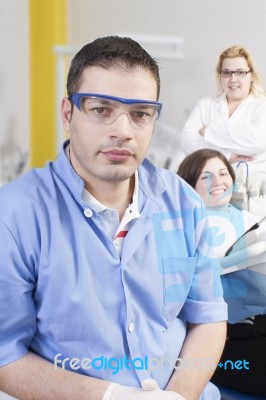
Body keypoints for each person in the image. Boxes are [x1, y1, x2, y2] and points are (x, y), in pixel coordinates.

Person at [0, 36, 227, 400]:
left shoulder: (183, 202)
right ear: (67, 113)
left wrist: (178, 397)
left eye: (140, 114)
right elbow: (5, 354)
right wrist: (110, 396)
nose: (123, 130)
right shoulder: (14, 216)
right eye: (101, 109)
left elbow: (208, 315)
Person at [177, 149, 266, 397]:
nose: (218, 182)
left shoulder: (251, 220)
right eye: (205, 177)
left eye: (223, 173)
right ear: (188, 186)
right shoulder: (181, 230)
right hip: (218, 343)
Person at [177, 45, 266, 180]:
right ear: (220, 75)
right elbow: (187, 140)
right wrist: (227, 156)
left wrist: (208, 132)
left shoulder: (262, 105)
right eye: (226, 72)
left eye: (240, 72)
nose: (233, 79)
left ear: (252, 75)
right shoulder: (205, 104)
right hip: (209, 189)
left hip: (252, 190)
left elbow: (258, 141)